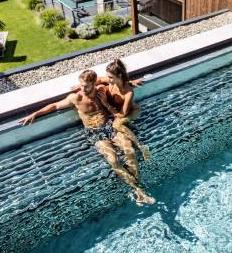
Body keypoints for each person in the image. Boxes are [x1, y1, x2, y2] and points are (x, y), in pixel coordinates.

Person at [19, 69, 155, 205]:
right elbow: (54, 105)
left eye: (86, 86)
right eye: (81, 85)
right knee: (113, 159)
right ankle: (137, 189)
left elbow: (113, 81)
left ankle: (136, 183)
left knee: (129, 150)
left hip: (109, 125)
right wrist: (35, 114)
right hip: (94, 131)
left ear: (94, 84)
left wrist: (131, 82)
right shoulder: (76, 98)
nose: (82, 88)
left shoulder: (101, 90)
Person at [98, 58, 150, 163]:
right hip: (119, 109)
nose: (108, 79)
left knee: (117, 124)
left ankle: (141, 146)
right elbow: (97, 80)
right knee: (119, 126)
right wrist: (79, 86)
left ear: (119, 76)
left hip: (132, 111)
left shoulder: (128, 92)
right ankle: (131, 129)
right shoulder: (112, 80)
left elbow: (122, 114)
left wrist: (106, 104)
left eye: (111, 77)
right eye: (107, 76)